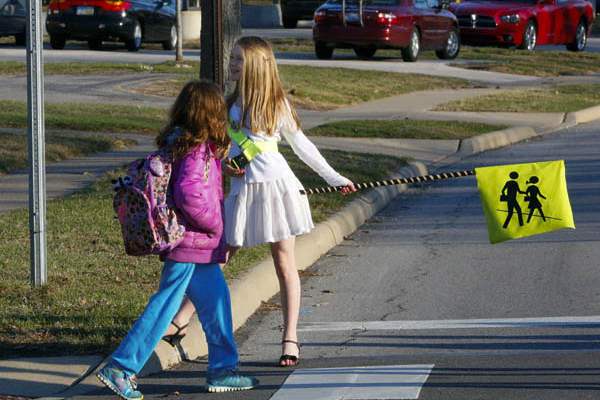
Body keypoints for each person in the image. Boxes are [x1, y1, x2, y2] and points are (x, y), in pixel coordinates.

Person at [96, 80, 258, 400]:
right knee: (164, 307)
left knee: (217, 305)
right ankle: (121, 367)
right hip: (190, 243)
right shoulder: (196, 151)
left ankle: (223, 369)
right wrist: (215, 226)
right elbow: (189, 194)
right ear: (211, 116)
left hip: (198, 247)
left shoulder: (186, 146)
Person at [224, 36, 356, 367]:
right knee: (221, 256)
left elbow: (303, 147)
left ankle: (290, 337)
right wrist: (224, 162)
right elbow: (219, 148)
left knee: (284, 262)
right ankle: (180, 322)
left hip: (278, 190)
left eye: (239, 59)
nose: (232, 64)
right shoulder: (228, 106)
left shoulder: (277, 104)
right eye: (232, 58)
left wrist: (334, 177)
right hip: (243, 191)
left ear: (255, 66)